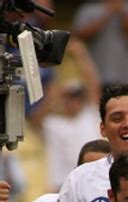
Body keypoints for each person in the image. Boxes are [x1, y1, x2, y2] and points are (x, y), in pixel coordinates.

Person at [41, 38, 102, 191]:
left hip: (92, 182)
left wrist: (81, 55)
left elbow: (93, 84)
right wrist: (53, 95)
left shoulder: (91, 115)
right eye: (68, 96)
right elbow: (38, 115)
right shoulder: (51, 123)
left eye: (77, 97)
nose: (73, 101)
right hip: (61, 185)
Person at [72, 0, 128, 88]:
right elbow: (79, 35)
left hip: (127, 77)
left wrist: (123, 13)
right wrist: (108, 13)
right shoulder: (89, 8)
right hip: (96, 78)